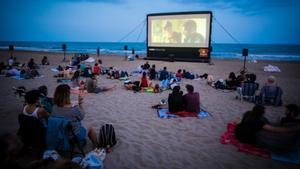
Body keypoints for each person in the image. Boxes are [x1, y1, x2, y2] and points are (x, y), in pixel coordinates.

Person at [235, 105, 299, 152]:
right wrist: (294, 129)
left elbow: (242, 121)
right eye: (264, 112)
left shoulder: (248, 113)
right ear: (261, 113)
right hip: (244, 138)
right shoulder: (259, 122)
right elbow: (275, 129)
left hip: (237, 132)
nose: (264, 113)